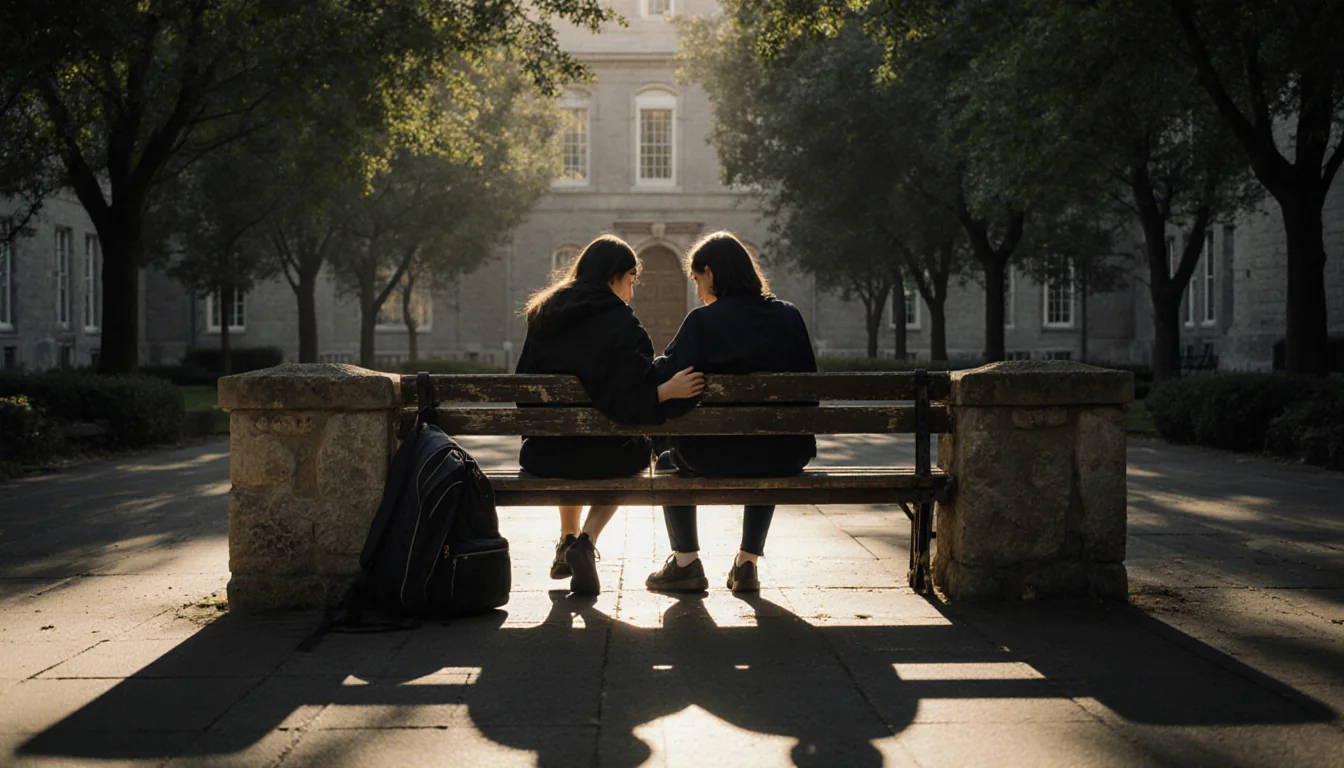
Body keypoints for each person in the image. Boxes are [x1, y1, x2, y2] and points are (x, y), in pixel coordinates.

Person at [516, 234, 705, 595]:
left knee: (568, 442)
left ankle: (566, 540)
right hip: (607, 458)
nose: (631, 292)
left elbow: (524, 388)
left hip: (543, 454)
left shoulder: (544, 312)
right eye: (631, 280)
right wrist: (665, 390)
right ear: (612, 277)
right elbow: (629, 404)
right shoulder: (621, 322)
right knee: (631, 450)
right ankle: (585, 541)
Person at [644, 231, 817, 594]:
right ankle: (747, 563)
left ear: (710, 273)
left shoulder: (703, 322)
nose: (696, 290)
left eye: (695, 279)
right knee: (766, 440)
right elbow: (809, 392)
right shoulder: (789, 317)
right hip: (785, 454)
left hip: (711, 456)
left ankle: (686, 562)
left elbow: (665, 383)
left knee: (666, 460)